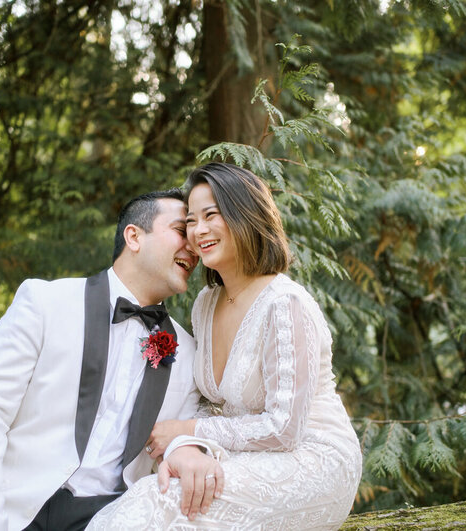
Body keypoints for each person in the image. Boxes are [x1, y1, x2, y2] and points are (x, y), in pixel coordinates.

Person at [87, 163, 362, 530]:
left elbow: (284, 428)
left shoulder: (285, 303)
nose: (198, 231)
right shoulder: (206, 302)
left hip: (312, 460)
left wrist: (189, 432)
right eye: (190, 222)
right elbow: (209, 404)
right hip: (242, 456)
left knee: (165, 498)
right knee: (169, 487)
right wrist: (187, 447)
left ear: (244, 214)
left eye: (210, 215)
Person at [0, 189, 224, 531]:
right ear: (134, 237)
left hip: (109, 519)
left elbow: (177, 438)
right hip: (9, 511)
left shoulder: (188, 351)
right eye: (182, 231)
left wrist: (186, 447)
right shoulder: (45, 303)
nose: (193, 247)